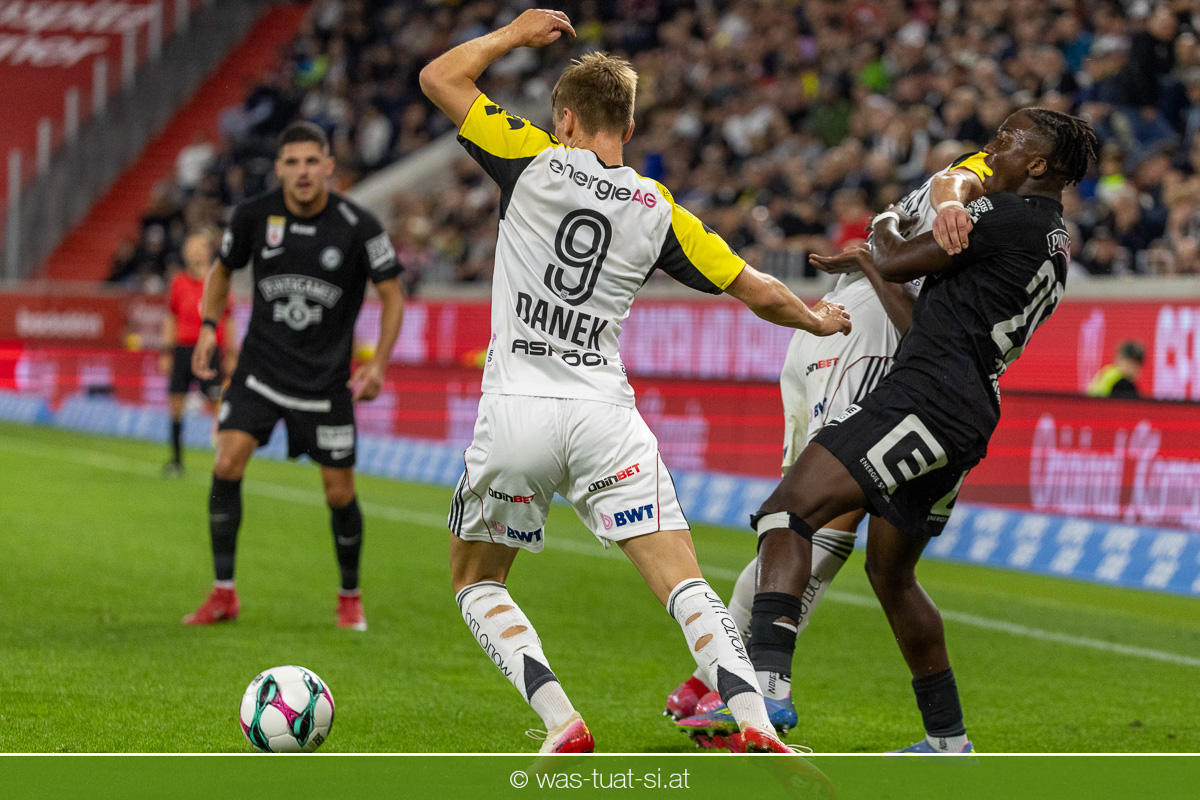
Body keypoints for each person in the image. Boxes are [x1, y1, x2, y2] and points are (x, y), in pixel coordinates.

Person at [419, 9, 850, 754]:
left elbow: (439, 77)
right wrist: (815, 321)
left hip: (518, 408)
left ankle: (562, 721)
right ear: (627, 123)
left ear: (565, 119)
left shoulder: (528, 157)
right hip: (606, 418)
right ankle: (754, 721)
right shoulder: (658, 210)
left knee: (477, 582)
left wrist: (514, 33)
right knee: (684, 582)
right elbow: (755, 288)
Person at [739, 109, 1096, 753]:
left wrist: (880, 227)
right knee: (891, 574)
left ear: (1039, 164)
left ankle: (765, 687)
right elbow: (921, 319)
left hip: (923, 398)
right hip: (969, 407)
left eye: (1008, 140)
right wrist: (875, 262)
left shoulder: (1005, 213)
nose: (994, 148)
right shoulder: (1052, 244)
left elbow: (898, 257)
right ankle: (947, 739)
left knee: (787, 512)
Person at [667, 152, 992, 744]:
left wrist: (895, 230)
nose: (1005, 144)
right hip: (847, 323)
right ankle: (727, 678)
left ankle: (735, 682)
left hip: (860, 327)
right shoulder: (983, 188)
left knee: (810, 513)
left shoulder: (982, 191)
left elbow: (945, 201)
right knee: (800, 514)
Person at [183, 121, 406, 631]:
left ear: (328, 166)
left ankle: (350, 598)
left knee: (339, 493)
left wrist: (378, 363)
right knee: (226, 461)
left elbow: (393, 295)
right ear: (279, 168)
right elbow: (222, 270)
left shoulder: (359, 225)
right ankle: (223, 593)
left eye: (311, 161)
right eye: (293, 162)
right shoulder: (253, 215)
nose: (303, 172)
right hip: (260, 371)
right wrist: (209, 327)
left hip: (325, 384)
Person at [160, 231, 236, 477]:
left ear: (207, 252)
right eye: (191, 249)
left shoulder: (218, 281)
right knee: (176, 405)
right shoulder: (179, 283)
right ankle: (176, 460)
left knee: (217, 405)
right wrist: (166, 351)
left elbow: (229, 318)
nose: (194, 253)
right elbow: (171, 317)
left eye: (199, 249)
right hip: (183, 349)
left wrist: (231, 353)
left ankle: (224, 460)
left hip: (210, 351)